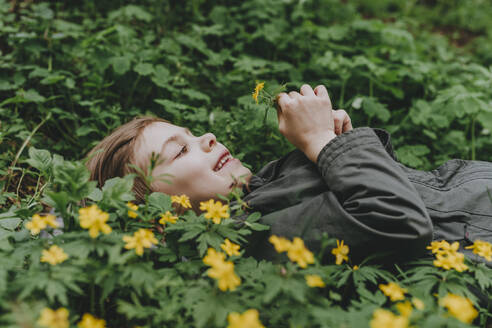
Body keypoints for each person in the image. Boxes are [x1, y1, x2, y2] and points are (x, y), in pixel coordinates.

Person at [86, 84, 492, 267]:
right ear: (157, 211)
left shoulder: (263, 189)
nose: (206, 137)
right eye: (180, 149)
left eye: (192, 133)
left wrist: (337, 146)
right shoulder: (254, 233)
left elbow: (409, 189)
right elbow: (398, 220)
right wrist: (320, 143)